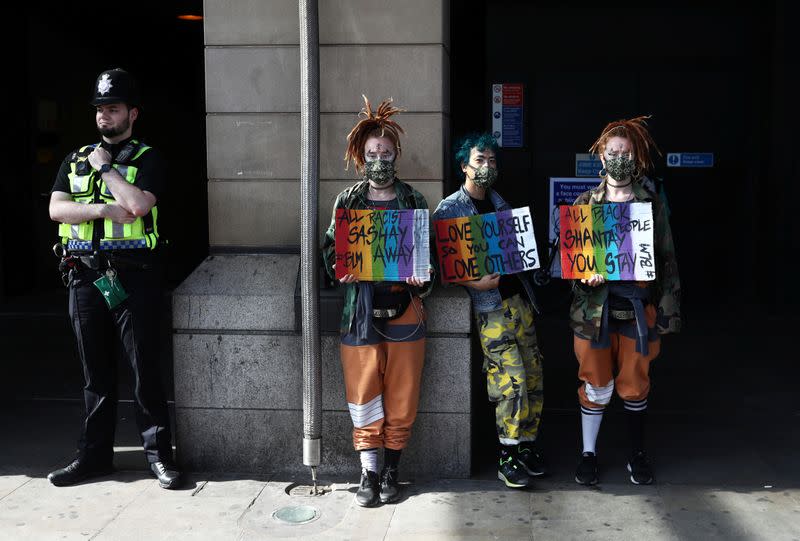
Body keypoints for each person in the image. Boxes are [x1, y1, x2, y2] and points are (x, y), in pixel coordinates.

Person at [47, 68, 181, 489]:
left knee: (145, 372)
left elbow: (139, 205)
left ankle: (159, 458)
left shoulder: (148, 159)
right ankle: (93, 458)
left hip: (135, 278)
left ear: (133, 113)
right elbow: (57, 210)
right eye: (101, 109)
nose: (105, 116)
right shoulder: (74, 158)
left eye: (114, 108)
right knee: (96, 376)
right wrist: (102, 210)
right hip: (85, 278)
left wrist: (107, 171)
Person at [321, 96, 432, 507]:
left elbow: (427, 254)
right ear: (360, 157)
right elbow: (330, 251)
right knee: (364, 391)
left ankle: (393, 469)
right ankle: (368, 471)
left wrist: (424, 279)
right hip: (360, 313)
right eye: (372, 153)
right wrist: (339, 268)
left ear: (396, 154)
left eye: (385, 152)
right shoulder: (347, 202)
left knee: (402, 393)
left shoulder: (414, 201)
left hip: (405, 309)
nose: (379, 158)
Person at [571, 116, 681, 486]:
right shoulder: (586, 203)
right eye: (612, 151)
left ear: (637, 158)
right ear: (601, 158)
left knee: (635, 383)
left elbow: (667, 259)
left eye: (626, 152)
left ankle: (637, 454)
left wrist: (667, 315)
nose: (619, 157)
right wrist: (585, 274)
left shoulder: (651, 204)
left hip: (638, 308)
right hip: (593, 312)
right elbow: (573, 262)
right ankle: (588, 453)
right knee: (595, 382)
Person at [432, 133, 546, 489]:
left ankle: (526, 447)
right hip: (490, 308)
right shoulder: (450, 210)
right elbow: (441, 265)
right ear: (464, 166)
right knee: (508, 381)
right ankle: (507, 456)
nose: (487, 166)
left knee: (532, 377)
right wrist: (473, 284)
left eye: (492, 161)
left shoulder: (501, 204)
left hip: (518, 303)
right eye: (480, 160)